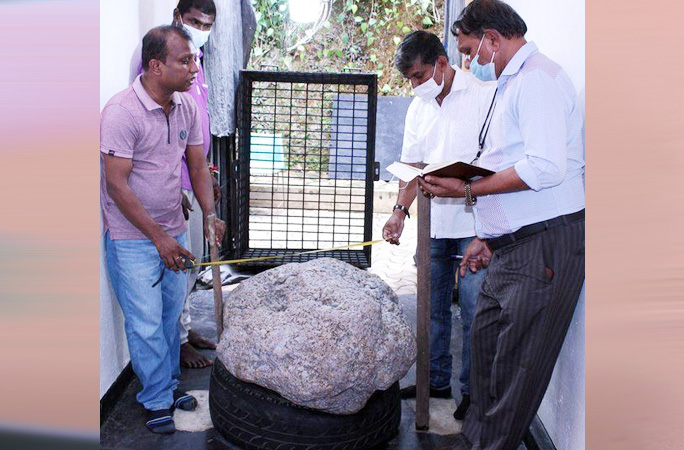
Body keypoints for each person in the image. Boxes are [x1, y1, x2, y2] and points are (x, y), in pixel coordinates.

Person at [418, 1, 585, 448]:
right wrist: (486, 235)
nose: (469, 63)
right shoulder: (511, 84)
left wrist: (468, 192)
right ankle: (478, 441)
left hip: (545, 246)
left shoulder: (538, 81)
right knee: (488, 350)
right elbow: (508, 159)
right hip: (512, 245)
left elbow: (544, 168)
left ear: (493, 38)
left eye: (471, 51)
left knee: (516, 370)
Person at [101, 25, 226, 434]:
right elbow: (116, 185)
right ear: (155, 66)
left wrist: (209, 215)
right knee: (145, 322)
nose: (195, 68)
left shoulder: (187, 106)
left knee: (171, 318)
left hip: (173, 230)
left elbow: (197, 167)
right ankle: (155, 397)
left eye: (194, 59)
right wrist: (159, 238)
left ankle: (168, 387)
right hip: (133, 238)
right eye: (185, 60)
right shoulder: (122, 112)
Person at [383, 30, 496, 419]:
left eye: (419, 75)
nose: (415, 85)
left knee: (473, 308)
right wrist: (399, 211)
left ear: (442, 64)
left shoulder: (483, 97)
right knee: (430, 309)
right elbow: (411, 166)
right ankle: (435, 381)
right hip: (432, 224)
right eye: (410, 79)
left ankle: (472, 393)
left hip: (473, 224)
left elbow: (497, 164)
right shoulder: (419, 107)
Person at [131, 0, 220, 369]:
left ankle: (184, 330)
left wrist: (207, 178)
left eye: (207, 23)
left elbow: (196, 125)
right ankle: (179, 341)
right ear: (177, 18)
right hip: (173, 182)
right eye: (194, 21)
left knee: (191, 261)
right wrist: (175, 188)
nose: (201, 28)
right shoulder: (164, 63)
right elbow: (156, 131)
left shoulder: (193, 62)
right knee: (177, 265)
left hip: (195, 173)